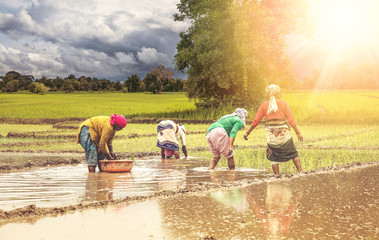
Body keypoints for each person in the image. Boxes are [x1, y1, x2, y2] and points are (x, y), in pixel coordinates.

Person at [244, 84, 303, 176]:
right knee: (293, 152)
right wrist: (298, 133)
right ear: (278, 93)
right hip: (283, 132)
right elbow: (291, 120)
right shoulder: (284, 103)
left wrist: (247, 132)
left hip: (271, 134)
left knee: (273, 155)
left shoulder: (264, 105)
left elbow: (256, 121)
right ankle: (300, 172)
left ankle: (276, 175)